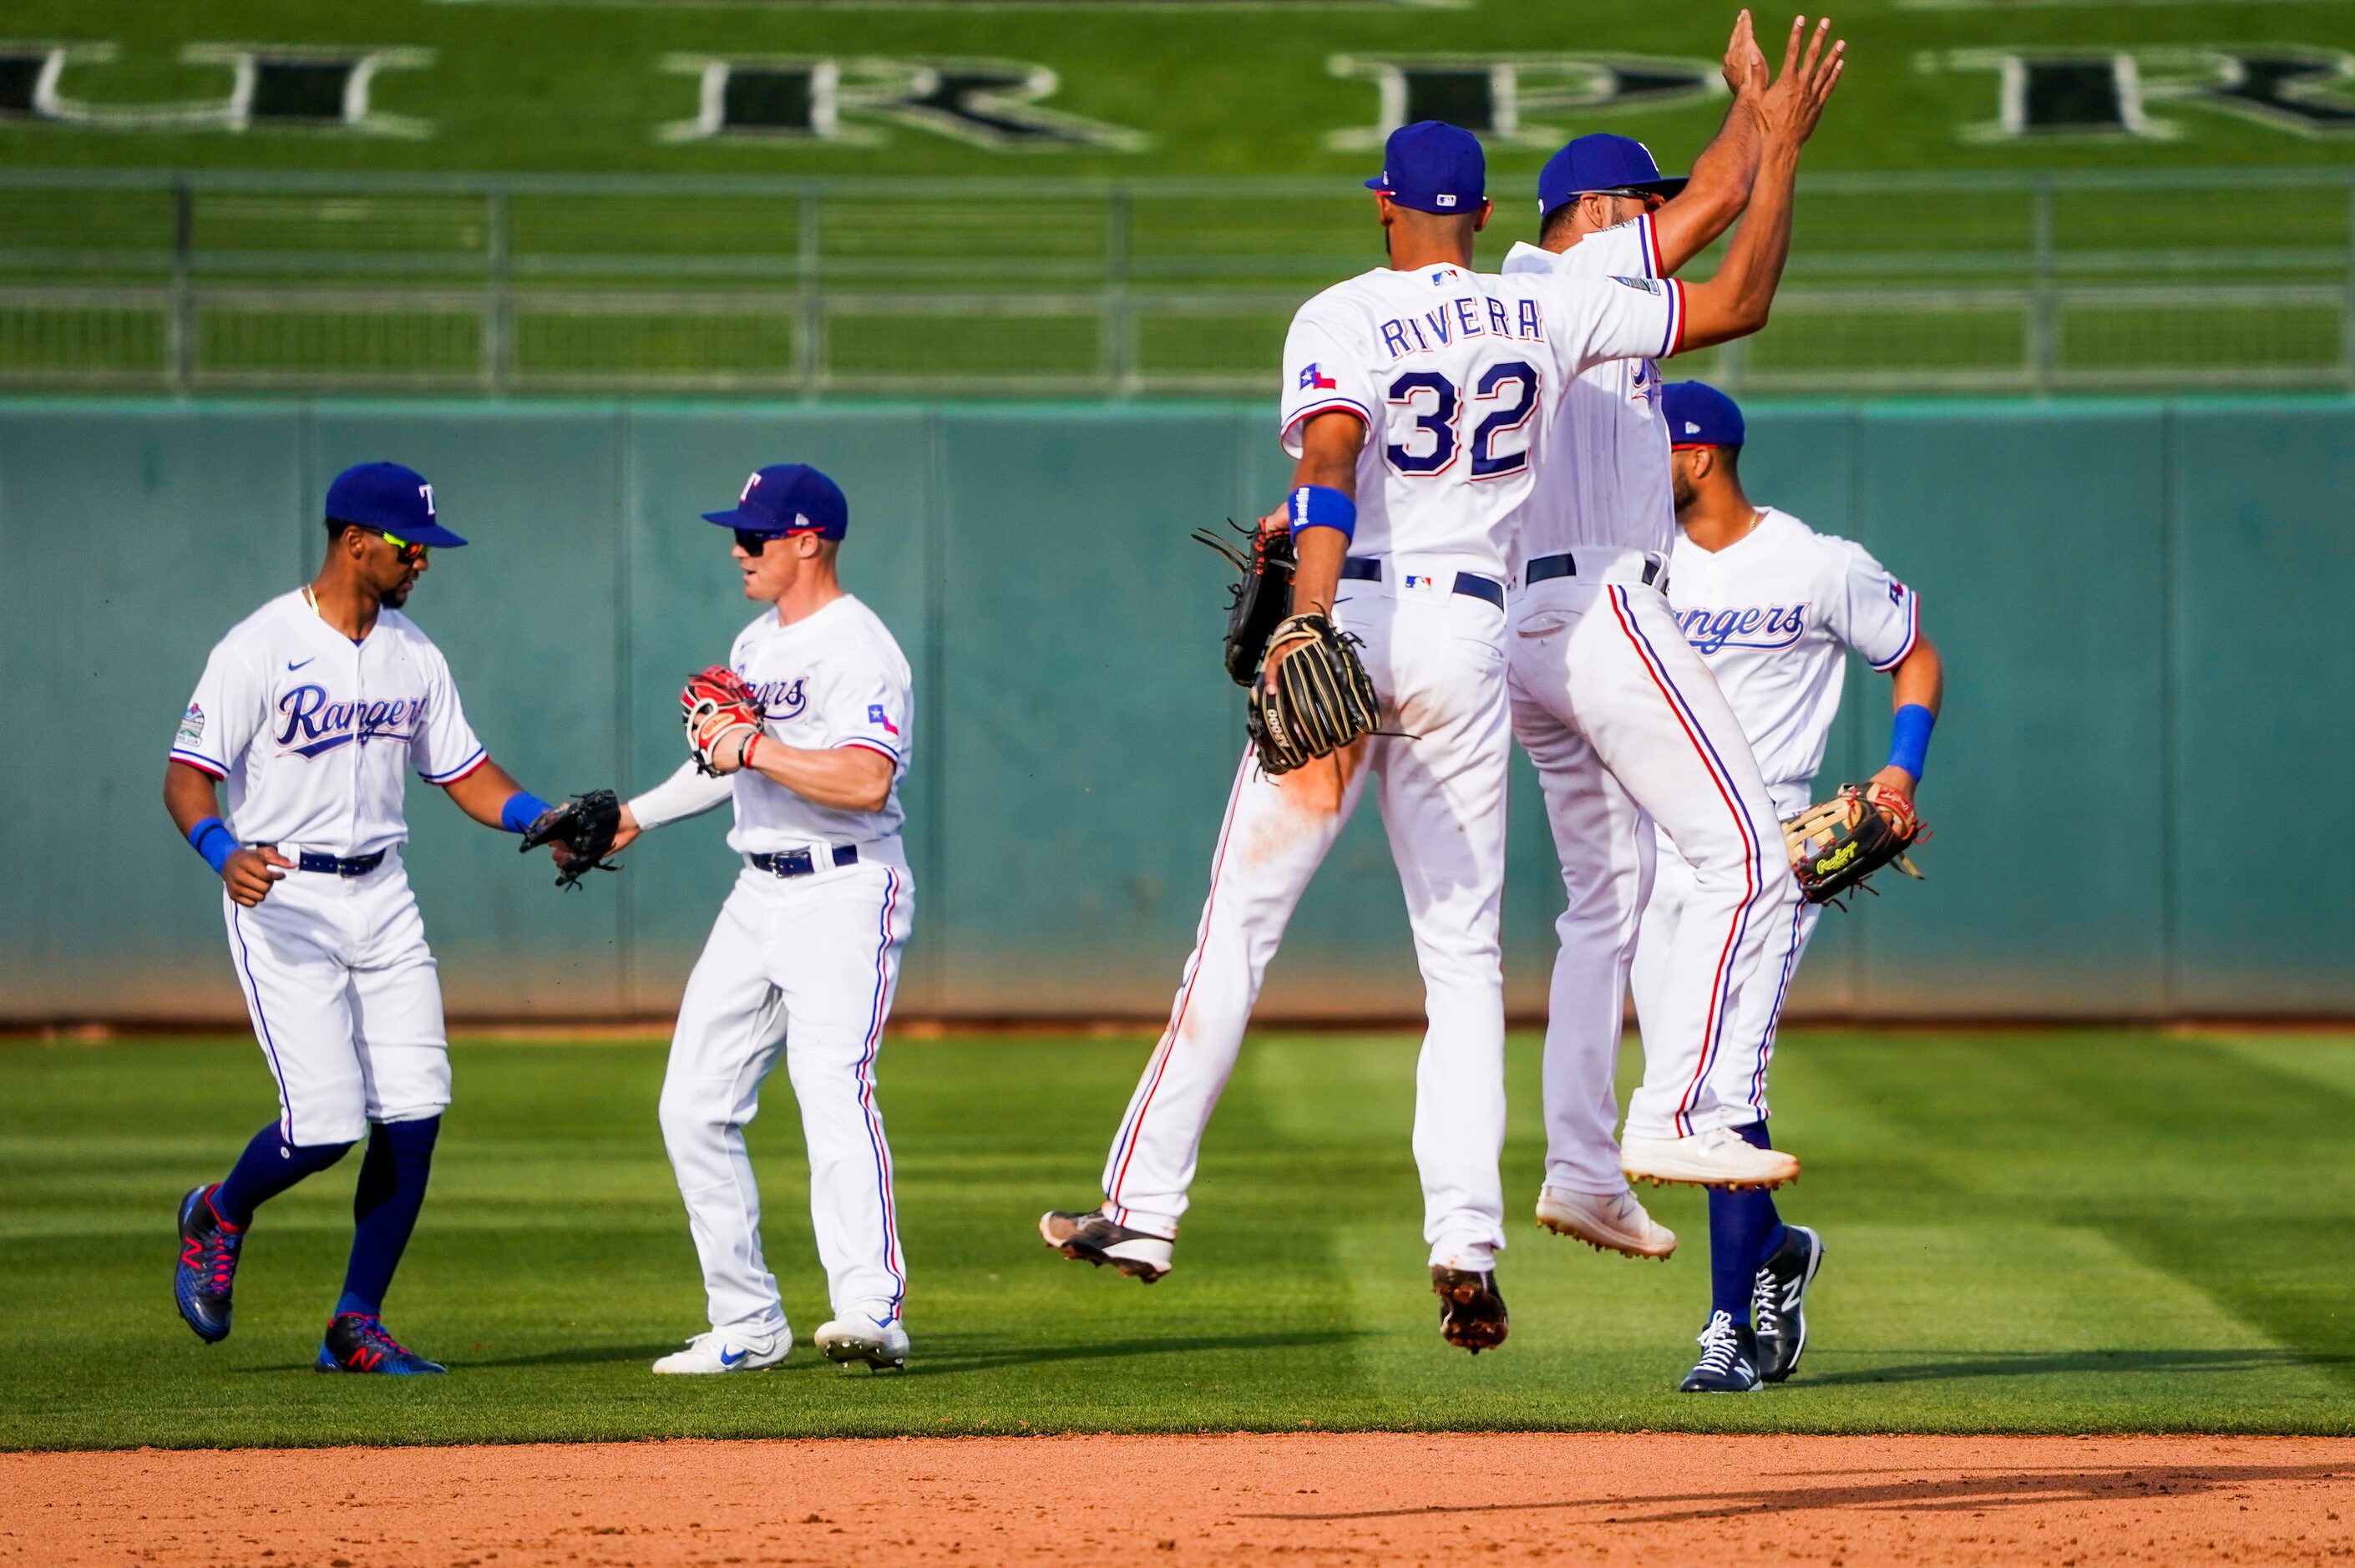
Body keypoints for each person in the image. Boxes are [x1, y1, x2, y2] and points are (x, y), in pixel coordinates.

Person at [1042, 107, 1803, 1354]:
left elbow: (1331, 459)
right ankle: (1464, 1240)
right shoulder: (1544, 308)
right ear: (1486, 217)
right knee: (1463, 964)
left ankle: (1142, 1207)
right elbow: (1715, 273)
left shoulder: (1341, 312)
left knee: (1238, 932)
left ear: (1385, 206)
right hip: (1471, 646)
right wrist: (1765, 131)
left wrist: (1307, 617)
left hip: (1365, 609)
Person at [1495, 14, 1843, 1282]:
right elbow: (1739, 276)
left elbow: (1714, 186)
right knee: (1754, 850)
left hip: (1521, 636)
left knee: (1603, 908)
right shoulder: (1576, 284)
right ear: (1588, 210)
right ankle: (1677, 1110)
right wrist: (1781, 147)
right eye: (1635, 202)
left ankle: (1580, 1165)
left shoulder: (1518, 299)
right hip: (1603, 608)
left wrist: (1749, 106)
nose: (1658, 214)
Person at [165, 461, 592, 1374]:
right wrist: (219, 850)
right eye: (409, 546)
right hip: (283, 894)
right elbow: (188, 774)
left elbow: (465, 773)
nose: (423, 562)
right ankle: (219, 1212)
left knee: (415, 1109)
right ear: (355, 541)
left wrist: (538, 818)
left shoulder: (414, 655)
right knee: (323, 1125)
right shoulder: (260, 647)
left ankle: (354, 1323)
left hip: (384, 895)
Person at [1633, 379, 1942, 1391]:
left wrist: (1900, 769)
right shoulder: (1635, 563)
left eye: (1653, 448)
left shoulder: (1814, 564)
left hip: (1770, 849)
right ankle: (1773, 1248)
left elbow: (1916, 657)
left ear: (1700, 457)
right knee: (1669, 1102)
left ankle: (1727, 1330)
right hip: (1654, 848)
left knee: (1727, 1087)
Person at [607, 463, 918, 1374]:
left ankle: (871, 1309)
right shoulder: (753, 646)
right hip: (760, 890)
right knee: (691, 1106)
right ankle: (746, 1324)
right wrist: (631, 817)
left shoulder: (861, 647)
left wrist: (755, 744)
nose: (737, 550)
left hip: (846, 889)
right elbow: (726, 763)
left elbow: (865, 782)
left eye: (753, 536)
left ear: (807, 540)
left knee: (832, 1090)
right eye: (736, 534)